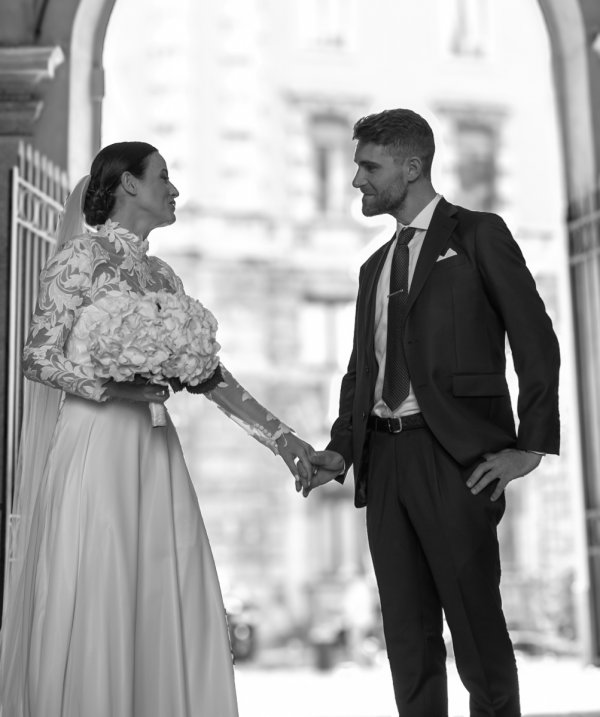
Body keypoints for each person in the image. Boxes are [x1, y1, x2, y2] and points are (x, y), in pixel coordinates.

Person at [0, 141, 314, 717]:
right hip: (97, 443)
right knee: (102, 581)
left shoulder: (163, 276)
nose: (174, 190)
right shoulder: (81, 260)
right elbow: (38, 356)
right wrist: (109, 388)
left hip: (155, 446)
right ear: (128, 185)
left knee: (164, 583)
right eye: (163, 178)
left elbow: (209, 376)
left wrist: (284, 440)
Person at [303, 109, 560, 716]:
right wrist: (341, 450)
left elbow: (535, 339)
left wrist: (531, 445)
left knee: (476, 633)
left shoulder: (477, 236)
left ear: (412, 166)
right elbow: (360, 373)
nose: (357, 180)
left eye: (369, 166)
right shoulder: (372, 268)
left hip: (455, 460)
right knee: (406, 641)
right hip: (384, 462)